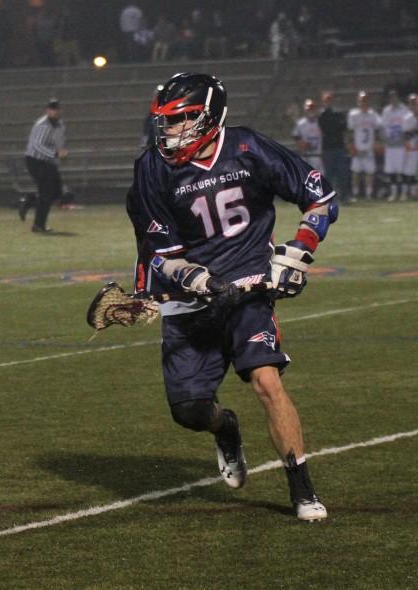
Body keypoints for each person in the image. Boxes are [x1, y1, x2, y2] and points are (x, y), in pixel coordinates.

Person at [126, 73, 335, 521]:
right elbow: (159, 255)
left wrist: (299, 251)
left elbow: (321, 199)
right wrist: (198, 280)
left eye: (182, 120)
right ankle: (226, 428)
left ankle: (302, 490)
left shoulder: (248, 149)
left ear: (210, 116)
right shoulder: (152, 169)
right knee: (189, 411)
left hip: (249, 289)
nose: (171, 131)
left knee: (266, 379)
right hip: (190, 299)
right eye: (166, 121)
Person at [23, 98, 67, 232]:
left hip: (47, 161)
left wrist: (61, 153)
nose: (53, 112)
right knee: (46, 192)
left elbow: (58, 142)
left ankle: (30, 202)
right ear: (47, 110)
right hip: (35, 161)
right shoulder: (42, 124)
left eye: (55, 109)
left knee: (56, 192)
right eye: (51, 109)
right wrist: (55, 154)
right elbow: (37, 145)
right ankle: (38, 224)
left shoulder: (59, 125)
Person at [380, 89, 415, 201]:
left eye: (395, 97)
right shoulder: (386, 111)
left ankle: (403, 193)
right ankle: (394, 193)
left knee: (403, 171)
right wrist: (385, 140)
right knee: (391, 171)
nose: (393, 99)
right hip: (390, 145)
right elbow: (384, 127)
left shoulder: (404, 110)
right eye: (391, 97)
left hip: (401, 145)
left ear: (398, 98)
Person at [347, 91, 382, 201]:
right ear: (358, 102)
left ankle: (368, 194)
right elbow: (349, 132)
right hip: (358, 148)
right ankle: (355, 194)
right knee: (355, 173)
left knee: (369, 173)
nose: (363, 103)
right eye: (361, 101)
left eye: (365, 101)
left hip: (369, 148)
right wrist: (352, 146)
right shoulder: (353, 114)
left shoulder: (373, 114)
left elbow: (378, 128)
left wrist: (376, 143)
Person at [318, 91, 350, 202]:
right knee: (329, 174)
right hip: (328, 148)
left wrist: (346, 144)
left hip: (339, 147)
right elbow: (321, 133)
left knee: (342, 173)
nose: (328, 102)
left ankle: (344, 196)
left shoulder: (339, 114)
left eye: (329, 100)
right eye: (326, 100)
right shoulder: (321, 116)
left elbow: (344, 130)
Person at [292, 98, 323, 170]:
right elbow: (295, 135)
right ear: (305, 110)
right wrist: (301, 143)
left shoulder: (320, 122)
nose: (310, 111)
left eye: (312, 109)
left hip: (318, 154)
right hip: (305, 154)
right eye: (309, 109)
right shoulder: (301, 123)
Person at [406, 94, 418, 199]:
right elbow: (405, 135)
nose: (414, 106)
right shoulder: (407, 118)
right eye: (412, 104)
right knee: (412, 171)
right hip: (412, 148)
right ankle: (413, 192)